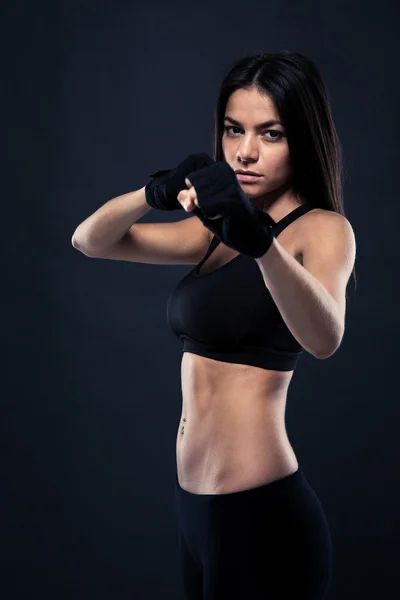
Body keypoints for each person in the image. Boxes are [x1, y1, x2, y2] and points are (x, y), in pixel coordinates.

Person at [72, 51, 356, 599]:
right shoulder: (213, 231)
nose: (245, 151)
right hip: (195, 513)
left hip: (262, 515)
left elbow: (325, 338)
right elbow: (90, 240)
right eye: (234, 130)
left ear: (302, 135)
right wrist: (153, 192)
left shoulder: (322, 230)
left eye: (270, 134)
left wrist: (262, 245)